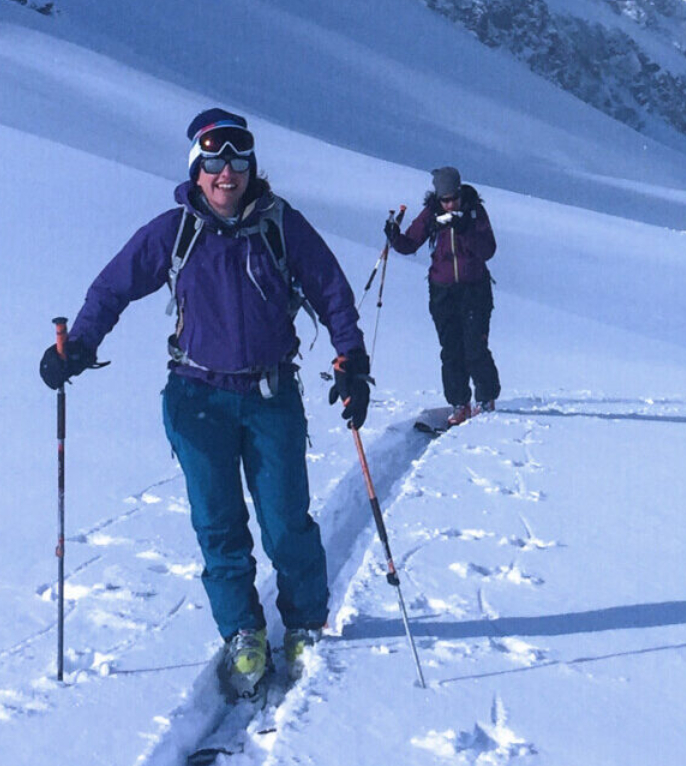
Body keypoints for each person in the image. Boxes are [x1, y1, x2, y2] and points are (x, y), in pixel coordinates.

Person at [39, 108, 369, 699]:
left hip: (270, 396)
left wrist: (352, 361)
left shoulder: (281, 225)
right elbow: (113, 287)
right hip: (197, 399)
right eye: (213, 162)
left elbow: (331, 291)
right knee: (218, 524)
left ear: (250, 168)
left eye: (237, 161)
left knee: (286, 519)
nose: (226, 173)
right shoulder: (175, 231)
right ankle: (243, 631)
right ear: (197, 170)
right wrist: (79, 346)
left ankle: (302, 625)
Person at [385, 166, 500, 418]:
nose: (450, 205)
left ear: (460, 193)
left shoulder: (474, 212)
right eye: (445, 200)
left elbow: (488, 249)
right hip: (442, 292)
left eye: (453, 199)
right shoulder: (431, 214)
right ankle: (460, 404)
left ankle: (486, 398)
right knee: (451, 349)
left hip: (474, 290)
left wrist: (464, 230)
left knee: (475, 347)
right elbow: (410, 242)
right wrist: (394, 237)